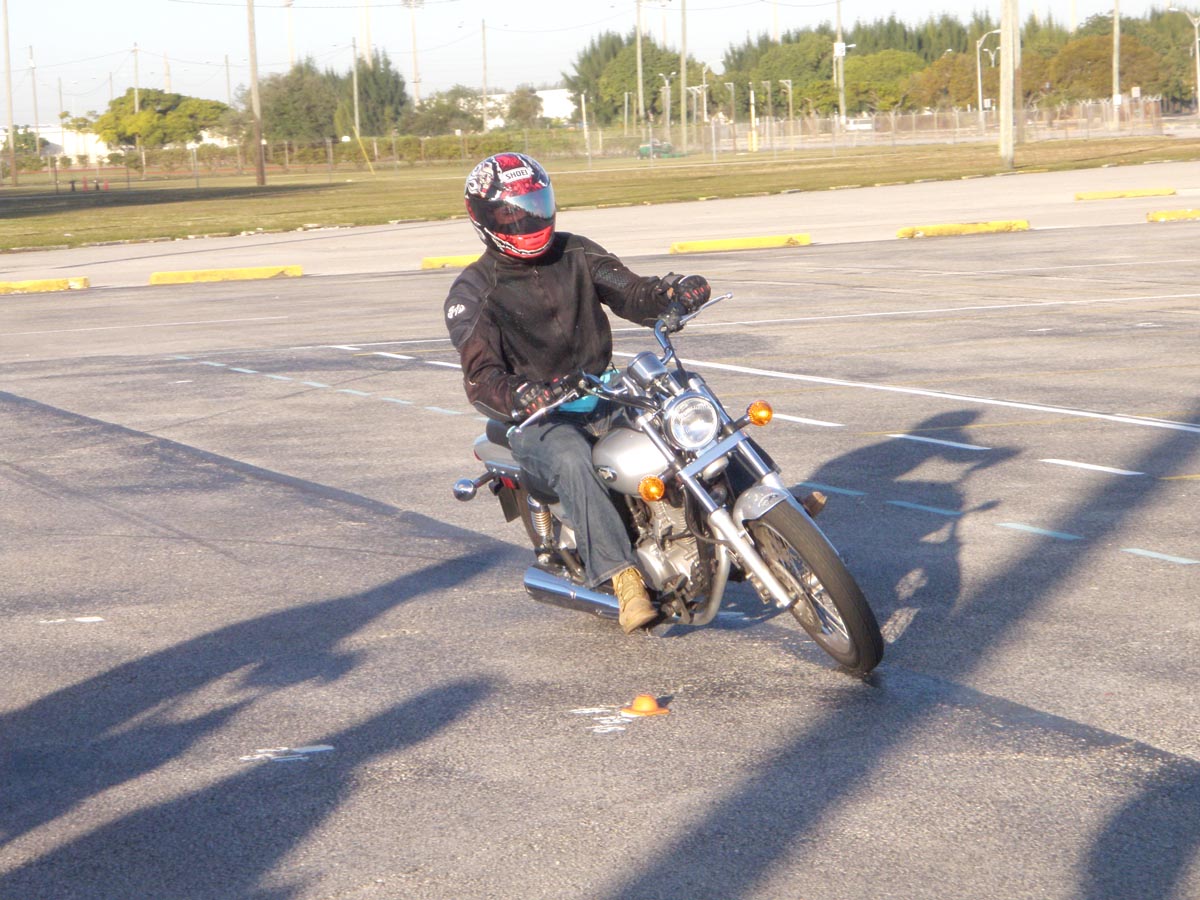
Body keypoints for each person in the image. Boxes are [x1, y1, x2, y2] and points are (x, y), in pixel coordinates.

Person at [443, 152, 711, 634]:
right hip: (537, 417)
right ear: (483, 218)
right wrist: (522, 395)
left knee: (682, 394)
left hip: (602, 389)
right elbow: (481, 377)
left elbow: (632, 293)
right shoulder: (472, 292)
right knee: (570, 456)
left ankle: (753, 500)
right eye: (511, 212)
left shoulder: (576, 252)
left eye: (534, 205)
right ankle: (623, 578)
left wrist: (671, 294)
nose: (527, 220)